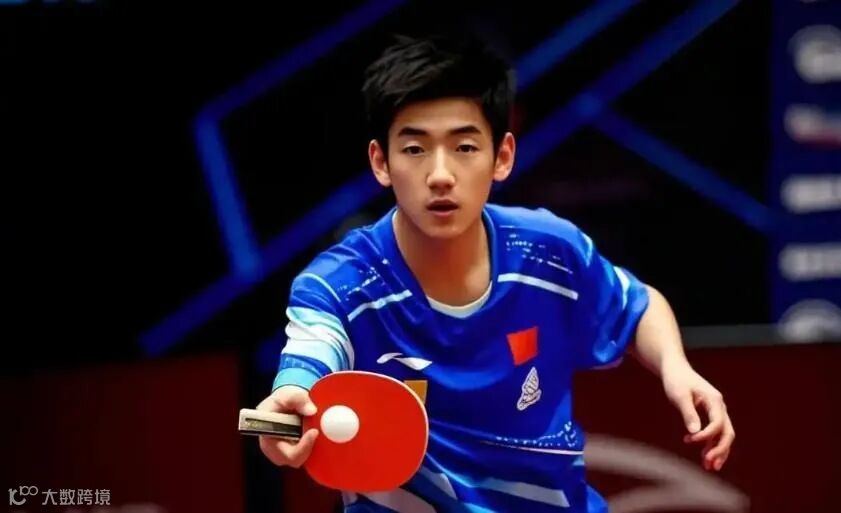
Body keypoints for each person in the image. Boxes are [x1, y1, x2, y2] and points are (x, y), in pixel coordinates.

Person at [254, 33, 735, 513]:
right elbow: (311, 352)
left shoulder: (549, 251)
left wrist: (676, 368)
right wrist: (290, 398)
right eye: (415, 149)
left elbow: (639, 305)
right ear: (381, 162)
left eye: (464, 147)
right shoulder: (339, 283)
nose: (440, 175)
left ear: (502, 157)